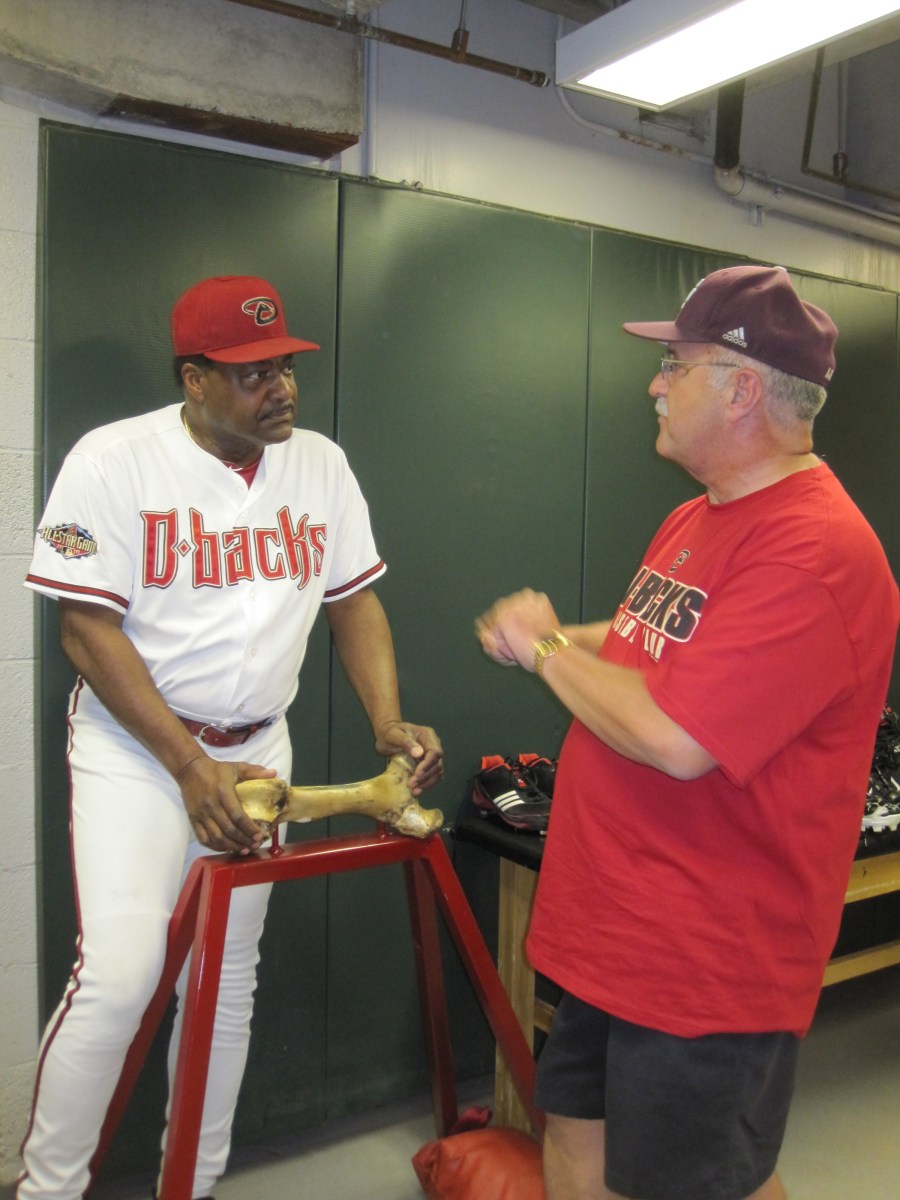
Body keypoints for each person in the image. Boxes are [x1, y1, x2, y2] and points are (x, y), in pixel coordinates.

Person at [476, 265, 899, 1200]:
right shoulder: (695, 516)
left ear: (744, 388)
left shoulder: (818, 551)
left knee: (702, 1185)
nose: (654, 384)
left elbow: (674, 734)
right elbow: (639, 644)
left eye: (676, 364)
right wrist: (554, 638)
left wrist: (546, 646)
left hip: (707, 961)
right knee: (574, 1141)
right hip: (616, 929)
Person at [19, 274, 443, 1200]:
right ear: (195, 380)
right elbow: (83, 631)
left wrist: (385, 720)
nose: (281, 386)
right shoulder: (112, 459)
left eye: (286, 365)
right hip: (140, 753)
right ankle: (48, 1189)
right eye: (253, 373)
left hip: (260, 752)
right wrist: (185, 764)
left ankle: (193, 1184)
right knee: (123, 975)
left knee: (225, 975)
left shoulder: (320, 464)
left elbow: (353, 601)